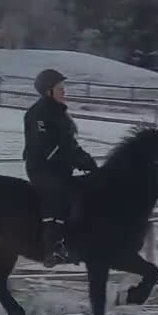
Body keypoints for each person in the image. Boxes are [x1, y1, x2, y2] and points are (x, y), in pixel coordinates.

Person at [22, 68, 99, 268]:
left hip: (60, 169)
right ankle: (52, 248)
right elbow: (45, 147)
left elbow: (69, 143)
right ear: (48, 91)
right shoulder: (37, 115)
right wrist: (73, 158)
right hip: (42, 169)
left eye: (64, 87)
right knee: (63, 196)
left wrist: (87, 161)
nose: (64, 91)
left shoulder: (60, 113)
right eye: (60, 88)